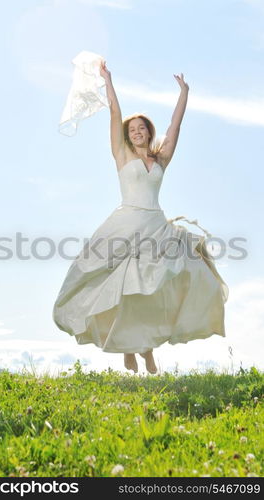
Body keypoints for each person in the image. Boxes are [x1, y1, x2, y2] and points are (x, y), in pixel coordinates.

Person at [53, 61, 229, 374]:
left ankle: (144, 346)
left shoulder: (160, 157)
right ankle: (127, 347)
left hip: (156, 227)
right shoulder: (121, 155)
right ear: (127, 136)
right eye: (132, 130)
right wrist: (108, 80)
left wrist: (184, 94)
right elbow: (114, 115)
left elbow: (175, 127)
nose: (136, 132)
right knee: (121, 287)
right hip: (125, 225)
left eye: (141, 128)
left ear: (148, 131)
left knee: (154, 287)